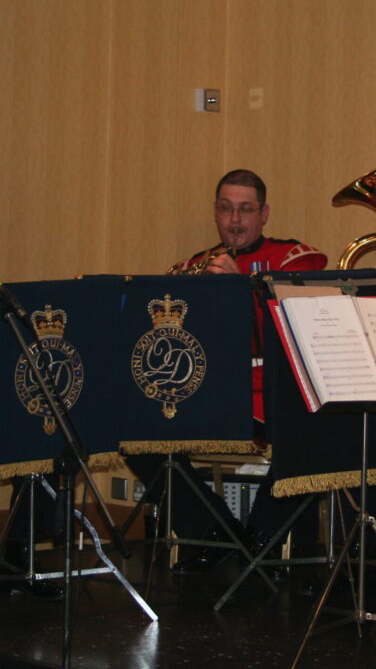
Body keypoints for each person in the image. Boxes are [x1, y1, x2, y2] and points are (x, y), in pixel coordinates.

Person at [124, 169, 327, 574]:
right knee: (134, 434)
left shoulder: (296, 259)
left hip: (270, 391)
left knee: (312, 434)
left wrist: (244, 291)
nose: (235, 221)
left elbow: (303, 328)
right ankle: (216, 533)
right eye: (226, 209)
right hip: (210, 393)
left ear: (264, 213)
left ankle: (259, 537)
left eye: (246, 210)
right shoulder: (194, 267)